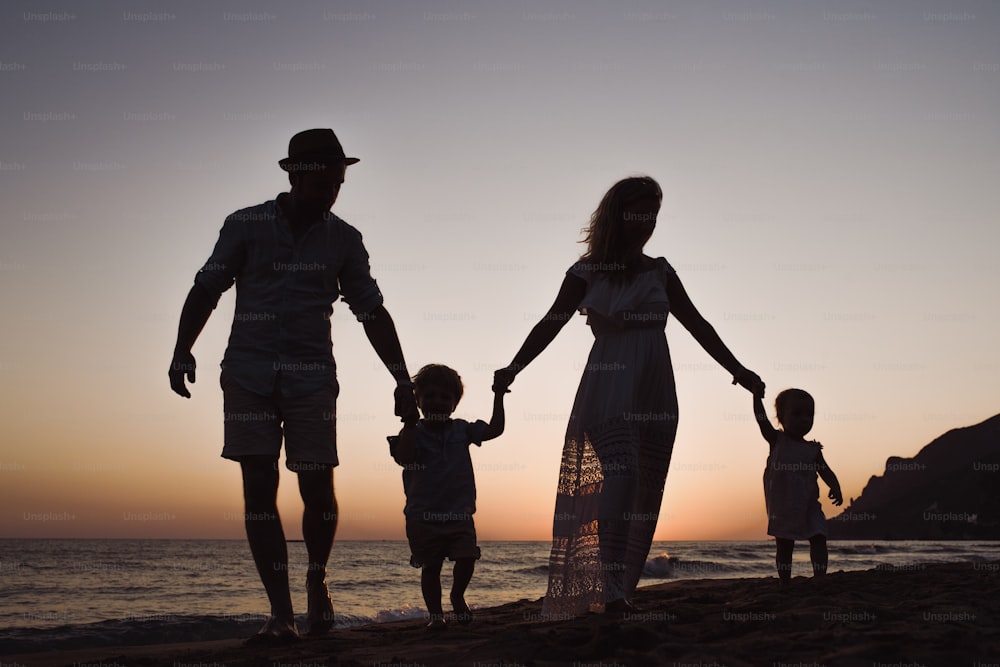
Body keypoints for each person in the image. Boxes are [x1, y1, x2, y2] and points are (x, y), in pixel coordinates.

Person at [168, 128, 418, 643]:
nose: (332, 189)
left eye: (339, 182)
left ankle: (316, 576)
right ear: (296, 174)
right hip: (247, 373)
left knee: (316, 484)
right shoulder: (246, 224)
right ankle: (281, 613)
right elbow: (207, 286)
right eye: (324, 179)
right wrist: (180, 349)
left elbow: (371, 309)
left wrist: (401, 378)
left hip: (311, 377)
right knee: (259, 488)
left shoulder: (345, 240)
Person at [493, 176, 764, 618]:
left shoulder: (660, 271)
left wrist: (739, 371)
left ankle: (619, 587)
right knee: (617, 480)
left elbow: (699, 324)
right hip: (608, 383)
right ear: (617, 215)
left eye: (653, 216)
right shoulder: (585, 272)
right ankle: (611, 592)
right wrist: (513, 367)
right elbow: (550, 322)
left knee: (641, 489)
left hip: (655, 389)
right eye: (638, 214)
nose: (646, 224)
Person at [388, 364, 506, 630]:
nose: (437, 402)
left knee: (466, 557)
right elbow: (404, 458)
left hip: (459, 513)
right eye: (429, 395)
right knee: (431, 568)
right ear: (417, 400)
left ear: (454, 404)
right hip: (422, 516)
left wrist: (498, 396)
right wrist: (408, 423)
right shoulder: (412, 433)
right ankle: (435, 615)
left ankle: (457, 595)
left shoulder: (462, 430)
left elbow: (495, 429)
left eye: (445, 397)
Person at [753, 387, 843, 585]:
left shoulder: (813, 449)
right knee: (785, 545)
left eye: (809, 415)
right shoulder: (777, 441)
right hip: (783, 506)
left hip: (810, 504)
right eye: (797, 413)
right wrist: (756, 397)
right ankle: (785, 580)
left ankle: (820, 576)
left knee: (819, 536)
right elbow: (761, 420)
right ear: (781, 417)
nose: (804, 419)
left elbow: (825, 471)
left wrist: (835, 487)